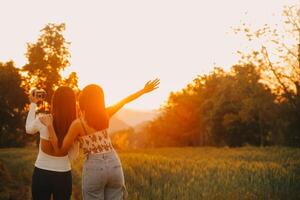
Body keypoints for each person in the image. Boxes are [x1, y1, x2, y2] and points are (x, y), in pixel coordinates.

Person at [40, 79, 160, 200]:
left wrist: (50, 126)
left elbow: (60, 151)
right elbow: (124, 101)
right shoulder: (105, 114)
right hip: (114, 164)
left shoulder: (77, 124)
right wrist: (143, 91)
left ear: (83, 100)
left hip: (94, 167)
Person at [25, 86, 78, 200]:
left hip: (41, 173)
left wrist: (33, 104)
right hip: (63, 175)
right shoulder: (75, 126)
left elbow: (28, 129)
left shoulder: (43, 119)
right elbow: (74, 152)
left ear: (55, 101)